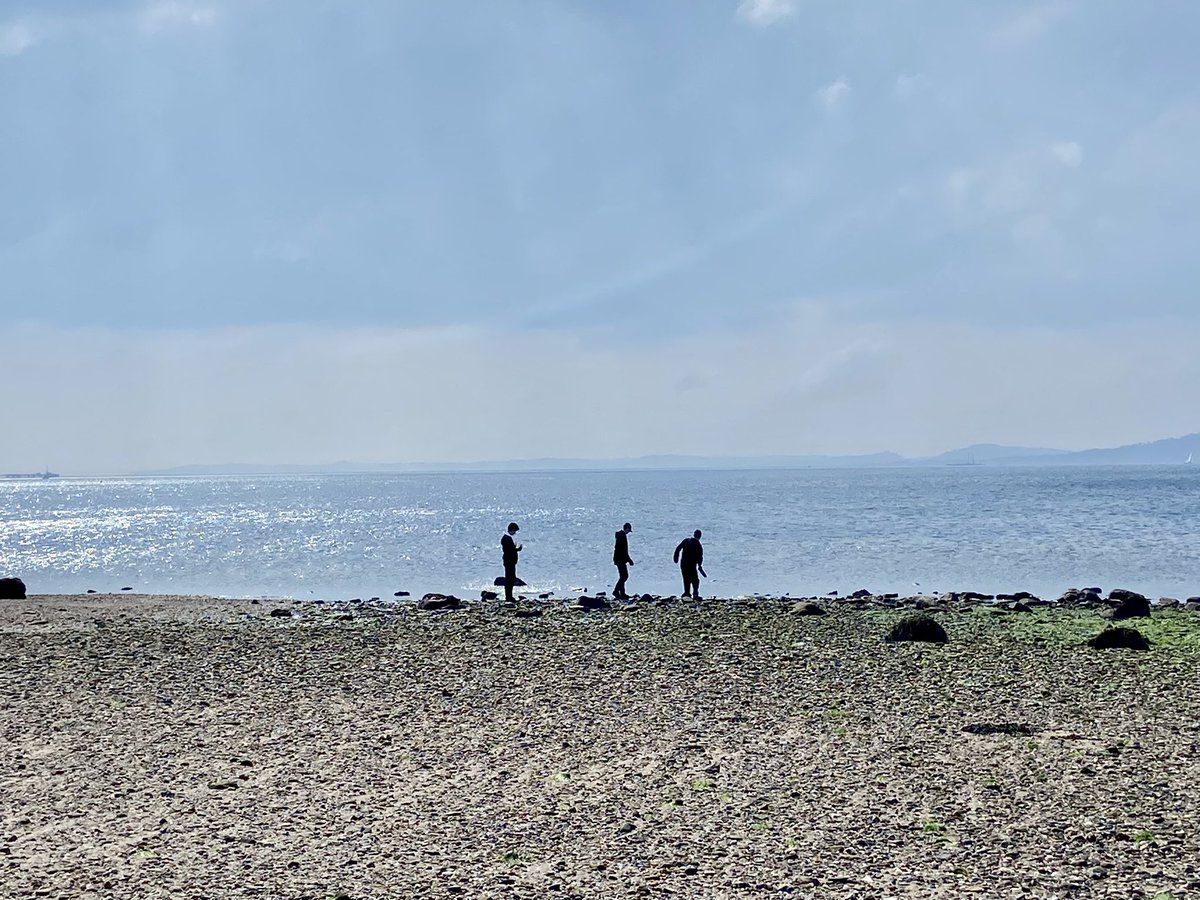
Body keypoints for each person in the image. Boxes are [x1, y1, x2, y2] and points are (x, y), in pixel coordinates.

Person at [673, 529, 706, 599]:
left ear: (694, 534)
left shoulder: (686, 541)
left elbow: (678, 548)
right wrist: (700, 566)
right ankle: (695, 593)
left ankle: (687, 592)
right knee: (695, 580)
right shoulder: (698, 545)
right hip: (692, 565)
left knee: (686, 578)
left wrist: (676, 558)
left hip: (684, 564)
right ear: (700, 536)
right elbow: (700, 557)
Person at [501, 522, 522, 602]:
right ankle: (508, 597)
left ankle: (509, 596)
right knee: (509, 579)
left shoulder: (506, 538)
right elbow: (510, 551)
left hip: (509, 561)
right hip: (509, 562)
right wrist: (517, 549)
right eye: (514, 531)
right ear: (511, 530)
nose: (515, 533)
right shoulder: (507, 539)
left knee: (510, 579)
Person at [612, 522, 634, 599]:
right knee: (625, 576)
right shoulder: (622, 536)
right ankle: (616, 591)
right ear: (627, 528)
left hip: (619, 559)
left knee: (622, 576)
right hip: (620, 559)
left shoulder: (620, 535)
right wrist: (629, 560)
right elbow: (623, 550)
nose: (628, 532)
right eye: (629, 530)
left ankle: (622, 593)